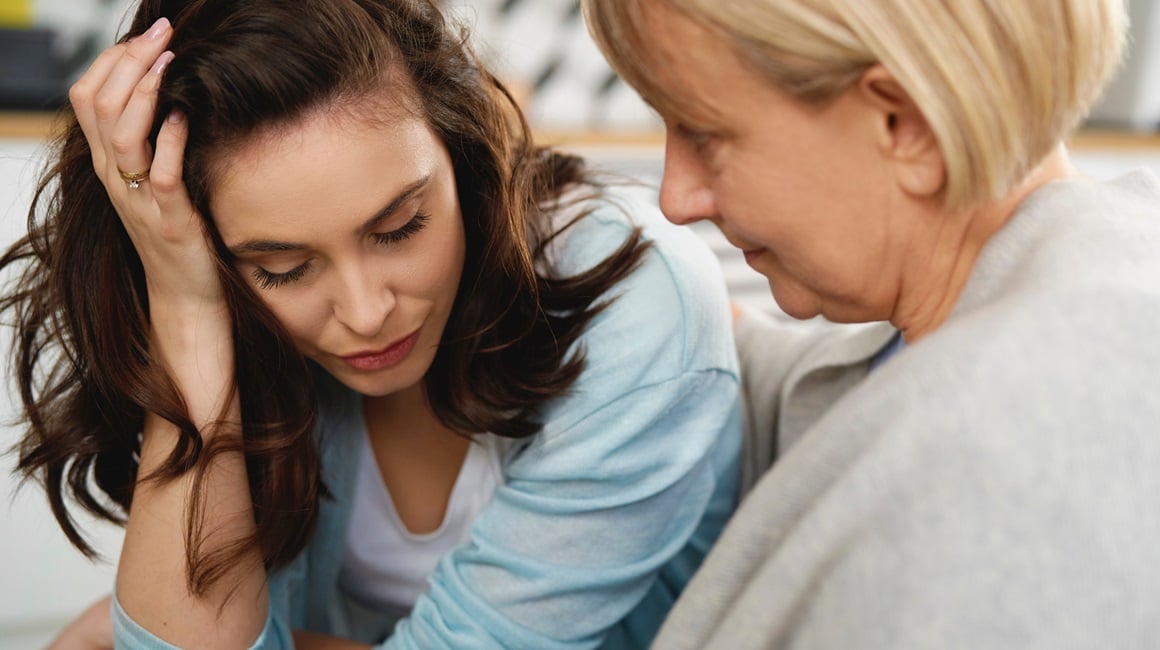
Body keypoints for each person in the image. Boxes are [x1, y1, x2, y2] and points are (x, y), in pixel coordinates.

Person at [0, 0, 743, 647]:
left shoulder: (637, 301)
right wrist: (188, 308)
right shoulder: (233, 319)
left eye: (400, 226)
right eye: (282, 269)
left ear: (464, 156)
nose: (364, 314)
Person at [581, 0, 1160, 647]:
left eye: (703, 135)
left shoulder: (1010, 457)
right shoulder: (1042, 299)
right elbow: (838, 409)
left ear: (904, 122)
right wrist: (658, 309)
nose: (676, 198)